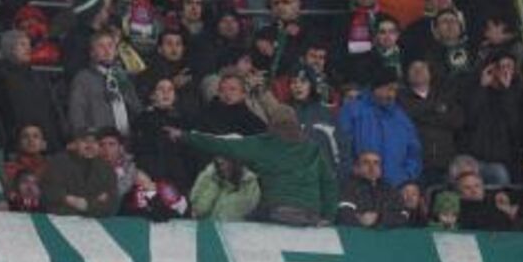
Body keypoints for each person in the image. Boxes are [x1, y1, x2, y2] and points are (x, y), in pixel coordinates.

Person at [171, 105, 338, 226]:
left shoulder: (264, 144)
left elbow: (222, 145)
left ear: (271, 124)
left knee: (244, 223)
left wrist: (184, 136)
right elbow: (329, 182)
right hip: (310, 214)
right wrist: (328, 217)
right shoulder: (312, 148)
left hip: (278, 210)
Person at [337, 68, 423, 188]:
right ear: (376, 87)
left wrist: (406, 176)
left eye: (395, 90)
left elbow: (414, 152)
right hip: (359, 187)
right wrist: (352, 171)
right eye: (389, 89)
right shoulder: (352, 111)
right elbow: (341, 146)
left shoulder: (402, 118)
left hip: (395, 188)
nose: (392, 95)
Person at [68, 30, 142, 135]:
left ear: (116, 51)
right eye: (101, 46)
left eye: (110, 46)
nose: (107, 51)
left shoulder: (122, 76)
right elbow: (77, 114)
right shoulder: (83, 78)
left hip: (125, 140)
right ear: (92, 53)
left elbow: (136, 108)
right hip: (99, 141)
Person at [42, 128, 119, 216]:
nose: (90, 146)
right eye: (84, 141)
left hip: (94, 221)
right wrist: (94, 202)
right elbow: (51, 195)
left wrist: (85, 205)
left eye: (94, 142)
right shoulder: (59, 163)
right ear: (74, 144)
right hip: (63, 220)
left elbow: (112, 204)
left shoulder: (106, 169)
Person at [336, 151, 410, 228]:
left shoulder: (389, 190)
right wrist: (361, 221)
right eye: (366, 162)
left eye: (376, 163)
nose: (372, 167)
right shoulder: (348, 188)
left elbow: (403, 215)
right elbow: (343, 215)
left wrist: (378, 219)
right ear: (356, 168)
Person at [189, 155, 261, 220]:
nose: (224, 168)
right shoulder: (207, 177)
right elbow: (199, 209)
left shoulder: (249, 182)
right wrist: (215, 184)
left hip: (236, 229)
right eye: (220, 164)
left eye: (228, 164)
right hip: (208, 228)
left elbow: (249, 211)